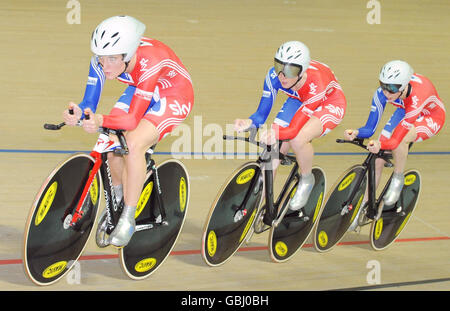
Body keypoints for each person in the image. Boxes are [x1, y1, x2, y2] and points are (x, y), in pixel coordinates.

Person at [62, 15, 194, 247]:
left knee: (132, 143)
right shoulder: (103, 60)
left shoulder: (150, 61)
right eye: (101, 57)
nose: (105, 65)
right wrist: (79, 112)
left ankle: (128, 217)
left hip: (173, 94)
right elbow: (89, 102)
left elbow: (132, 120)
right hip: (140, 87)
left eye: (112, 59)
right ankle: (119, 199)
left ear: (129, 54)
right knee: (110, 141)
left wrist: (101, 119)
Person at [234, 41, 346, 221]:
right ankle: (257, 204)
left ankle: (307, 179)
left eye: (290, 71)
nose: (282, 76)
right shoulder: (273, 76)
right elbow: (261, 115)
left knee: (298, 139)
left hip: (328, 103)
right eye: (279, 66)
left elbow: (293, 130)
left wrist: (276, 133)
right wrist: (249, 122)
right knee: (272, 150)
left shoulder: (316, 82)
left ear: (301, 71)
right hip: (298, 98)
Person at [345, 60, 445, 230]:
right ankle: (364, 207)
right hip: (404, 111)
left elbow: (396, 140)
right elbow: (370, 128)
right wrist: (356, 132)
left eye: (391, 88)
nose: (386, 92)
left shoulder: (417, 95)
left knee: (402, 138)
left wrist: (381, 144)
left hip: (429, 117)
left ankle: (398, 178)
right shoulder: (383, 93)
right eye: (383, 85)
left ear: (405, 86)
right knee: (377, 160)